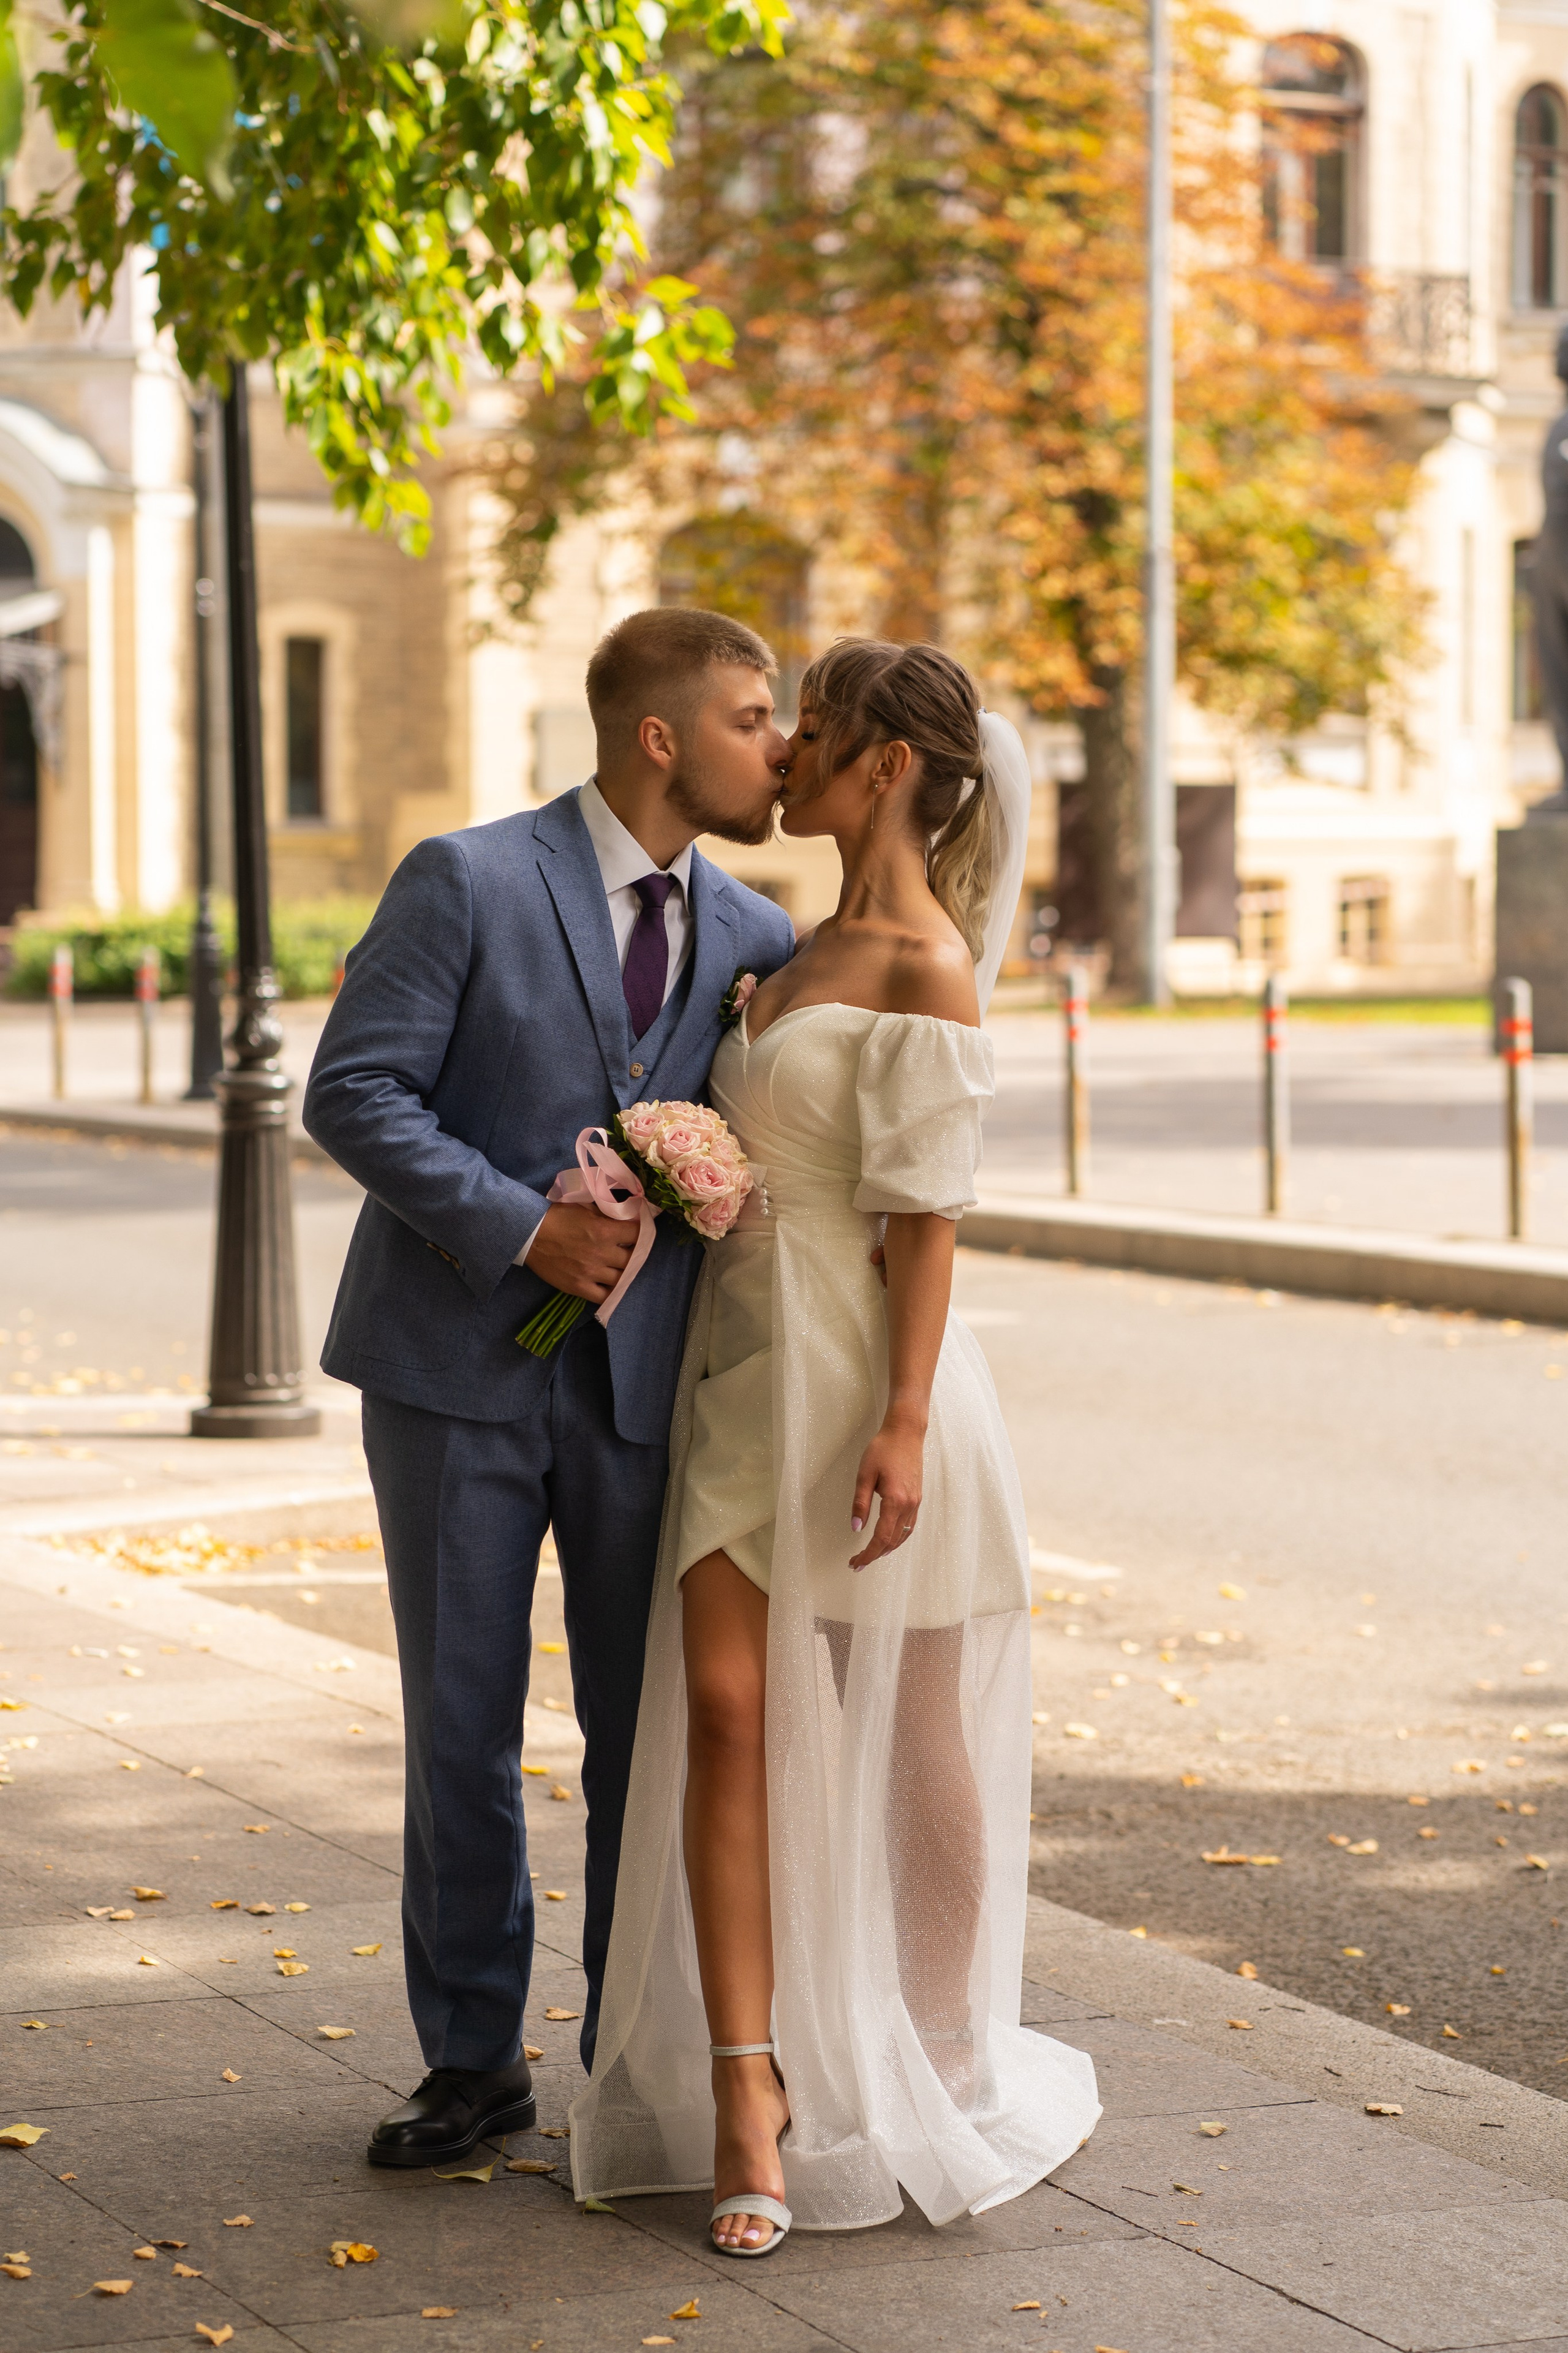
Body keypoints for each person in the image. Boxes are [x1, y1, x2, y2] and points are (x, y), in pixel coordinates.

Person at [570, 640, 1101, 2249]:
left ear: (882, 765)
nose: (781, 756)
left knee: (909, 1729)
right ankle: (749, 2086)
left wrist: (906, 1423)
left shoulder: (929, 963)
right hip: (744, 1365)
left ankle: (937, 2053)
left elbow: (925, 1219)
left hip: (874, 1379)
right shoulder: (787, 950)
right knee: (727, 1707)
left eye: (812, 732)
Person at [303, 608, 796, 2171]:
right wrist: (527, 1222)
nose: (775, 744)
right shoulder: (467, 876)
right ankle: (470, 2064)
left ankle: (631, 2054)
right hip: (453, 1372)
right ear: (660, 737)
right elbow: (353, 1089)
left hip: (650, 1391)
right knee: (460, 1726)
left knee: (643, 1732)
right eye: (748, 716)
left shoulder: (758, 936)